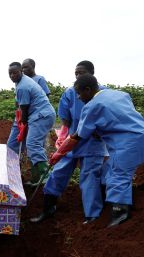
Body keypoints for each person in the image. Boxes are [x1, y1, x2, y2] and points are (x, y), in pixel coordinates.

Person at [50, 74, 144, 227]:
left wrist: (59, 153)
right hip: (140, 133)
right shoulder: (120, 94)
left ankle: (119, 215)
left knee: (118, 175)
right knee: (108, 170)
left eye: (80, 93)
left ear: (88, 90)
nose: (79, 98)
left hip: (128, 143)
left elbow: (78, 136)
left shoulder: (92, 106)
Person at [30, 61, 108, 224]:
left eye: (82, 73)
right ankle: (48, 208)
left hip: (93, 142)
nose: (78, 76)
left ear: (92, 74)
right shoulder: (70, 92)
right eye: (76, 73)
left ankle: (92, 215)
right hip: (72, 140)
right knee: (58, 172)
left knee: (89, 177)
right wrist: (63, 137)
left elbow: (108, 118)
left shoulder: (103, 93)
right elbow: (65, 119)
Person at [7, 62, 56, 185]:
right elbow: (19, 108)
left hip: (41, 115)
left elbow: (24, 109)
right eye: (10, 73)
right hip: (30, 115)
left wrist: (22, 124)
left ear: (21, 72)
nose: (12, 75)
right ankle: (13, 176)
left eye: (15, 72)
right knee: (12, 145)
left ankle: (45, 176)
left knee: (32, 144)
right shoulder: (20, 83)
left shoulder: (24, 85)